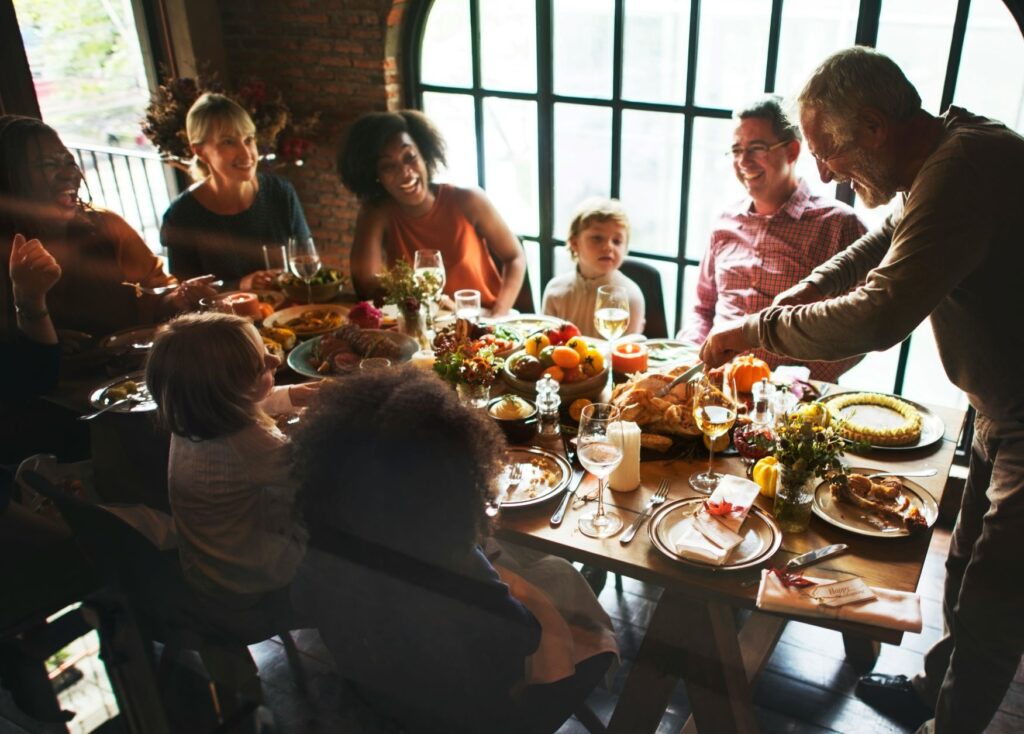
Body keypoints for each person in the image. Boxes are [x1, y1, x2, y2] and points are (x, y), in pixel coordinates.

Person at [699, 47, 1024, 734]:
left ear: (875, 126)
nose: (824, 172)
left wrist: (760, 326)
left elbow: (880, 311)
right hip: (1000, 405)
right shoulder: (946, 153)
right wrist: (796, 296)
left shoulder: (964, 169)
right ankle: (934, 691)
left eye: (829, 151)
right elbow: (878, 245)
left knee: (999, 597)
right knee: (966, 566)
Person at [290, 368, 616, 733]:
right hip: (479, 716)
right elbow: (524, 637)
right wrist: (522, 590)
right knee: (584, 618)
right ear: (454, 481)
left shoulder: (324, 549)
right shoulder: (460, 573)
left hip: (381, 698)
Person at [680, 95, 866, 382]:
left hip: (790, 399)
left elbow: (859, 329)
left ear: (792, 151)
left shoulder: (838, 225)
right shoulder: (724, 222)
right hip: (715, 388)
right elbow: (702, 309)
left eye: (756, 148)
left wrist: (796, 380)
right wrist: (694, 354)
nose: (743, 161)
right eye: (736, 150)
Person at [145, 312, 318, 621]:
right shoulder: (249, 443)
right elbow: (317, 474)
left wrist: (291, 395)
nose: (274, 361)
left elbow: (238, 401)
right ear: (230, 390)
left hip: (207, 568)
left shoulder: (192, 415)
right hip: (247, 583)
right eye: (260, 365)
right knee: (345, 530)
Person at [0, 115, 199, 344]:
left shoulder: (106, 226)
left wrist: (179, 298)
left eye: (69, 162)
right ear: (9, 179)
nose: (69, 174)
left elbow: (157, 294)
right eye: (49, 165)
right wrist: (45, 338)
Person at [340, 110, 527, 316]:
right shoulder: (378, 214)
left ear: (424, 155)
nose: (405, 172)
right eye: (388, 166)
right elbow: (366, 284)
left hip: (481, 321)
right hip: (421, 327)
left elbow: (515, 256)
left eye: (410, 157)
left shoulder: (467, 200)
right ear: (375, 175)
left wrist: (498, 315)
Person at [160, 93, 312, 288]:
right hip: (223, 318)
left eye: (248, 139)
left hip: (289, 315)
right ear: (200, 151)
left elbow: (307, 267)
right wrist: (241, 285)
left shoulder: (281, 193)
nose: (246, 153)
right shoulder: (181, 215)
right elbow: (186, 295)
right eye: (228, 142)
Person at [541, 197, 644, 338]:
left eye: (617, 241)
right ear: (574, 243)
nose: (608, 246)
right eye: (597, 238)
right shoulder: (555, 291)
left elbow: (626, 354)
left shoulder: (630, 298)